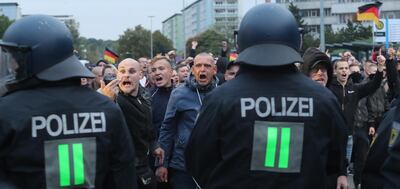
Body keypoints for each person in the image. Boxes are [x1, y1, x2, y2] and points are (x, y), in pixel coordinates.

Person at [185, 4, 347, 189]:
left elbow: (196, 161)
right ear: (298, 40)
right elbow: (335, 160)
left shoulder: (220, 100)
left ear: (240, 41)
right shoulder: (324, 100)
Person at [0, 15, 137, 189]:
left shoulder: (7, 112)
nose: (12, 66)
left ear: (39, 57)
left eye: (16, 59)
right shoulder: (107, 110)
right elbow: (123, 178)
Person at [157, 53, 217, 189]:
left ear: (214, 70)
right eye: (198, 66)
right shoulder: (179, 94)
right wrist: (162, 164)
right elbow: (167, 128)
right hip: (182, 165)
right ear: (193, 70)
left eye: (207, 66)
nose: (202, 69)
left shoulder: (221, 94)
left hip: (212, 165)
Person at [100, 58, 162, 189]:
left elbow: (148, 127)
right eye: (122, 71)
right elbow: (103, 131)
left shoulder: (145, 97)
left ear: (141, 75)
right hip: (121, 170)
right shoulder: (110, 98)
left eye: (132, 71)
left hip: (143, 166)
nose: (126, 74)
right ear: (117, 76)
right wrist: (106, 102)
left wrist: (154, 145)